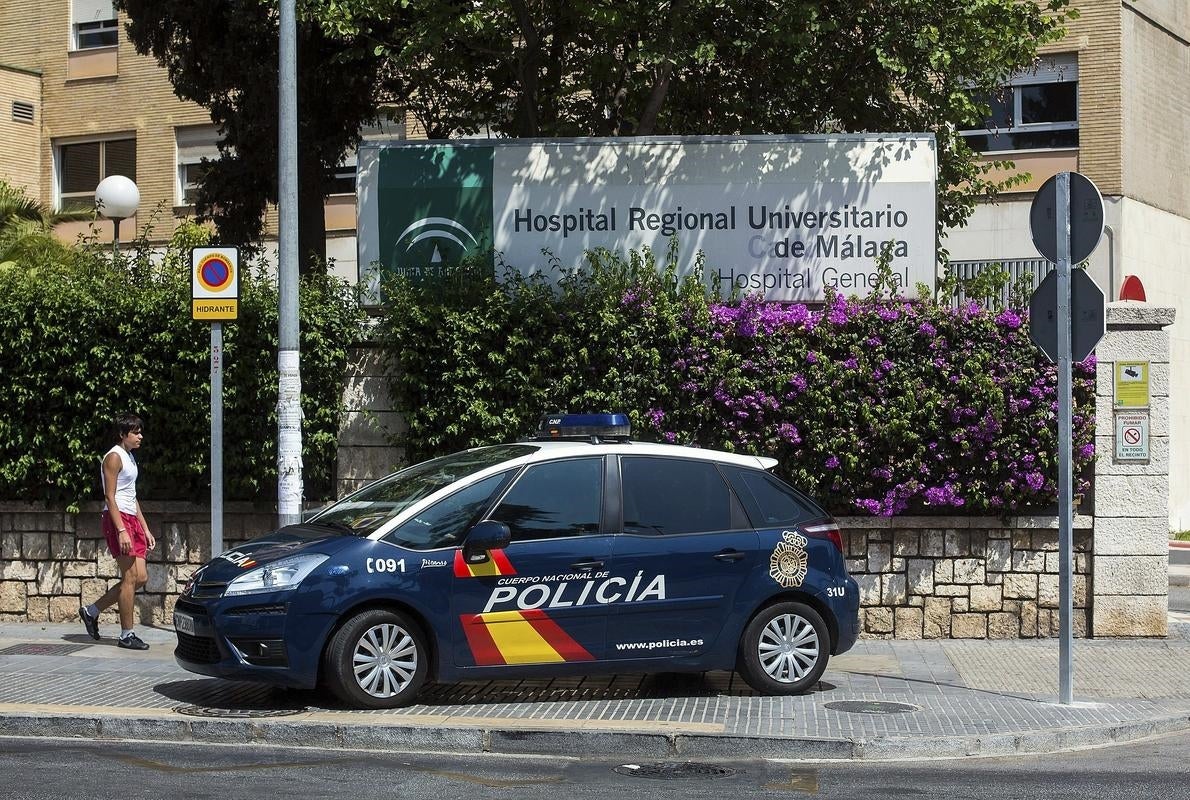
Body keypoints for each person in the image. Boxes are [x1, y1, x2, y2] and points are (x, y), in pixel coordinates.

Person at [79, 413, 156, 650]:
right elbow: (109, 496)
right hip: (117, 519)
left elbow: (131, 496)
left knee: (140, 577)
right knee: (130, 577)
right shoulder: (113, 457)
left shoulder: (130, 458)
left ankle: (91, 611)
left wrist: (145, 528)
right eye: (135, 432)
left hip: (132, 518)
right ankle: (126, 635)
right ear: (123, 435)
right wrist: (121, 529)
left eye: (140, 432)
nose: (140, 436)